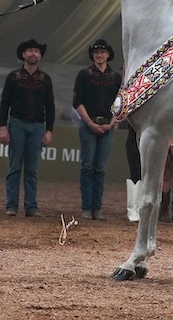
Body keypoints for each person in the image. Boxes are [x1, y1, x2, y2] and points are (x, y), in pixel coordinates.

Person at [0, 39, 55, 217]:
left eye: (36, 51)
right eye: (30, 50)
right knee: (14, 166)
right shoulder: (13, 77)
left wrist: (49, 130)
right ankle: (12, 206)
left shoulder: (45, 79)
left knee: (31, 169)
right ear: (23, 54)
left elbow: (50, 106)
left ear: (40, 56)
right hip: (17, 124)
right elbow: (4, 103)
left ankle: (31, 206)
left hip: (38, 126)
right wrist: (2, 127)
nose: (33, 54)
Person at [73, 39, 122, 221]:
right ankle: (87, 207)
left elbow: (120, 102)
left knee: (100, 168)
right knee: (87, 166)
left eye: (102, 52)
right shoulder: (84, 75)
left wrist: (112, 123)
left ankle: (97, 208)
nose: (99, 55)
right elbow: (77, 101)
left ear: (108, 54)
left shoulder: (116, 78)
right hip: (88, 124)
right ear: (92, 55)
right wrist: (89, 123)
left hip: (108, 125)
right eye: (96, 52)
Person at [124, 124, 141, 222]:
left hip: (149, 145)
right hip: (133, 143)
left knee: (145, 177)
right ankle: (132, 209)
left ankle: (140, 208)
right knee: (135, 175)